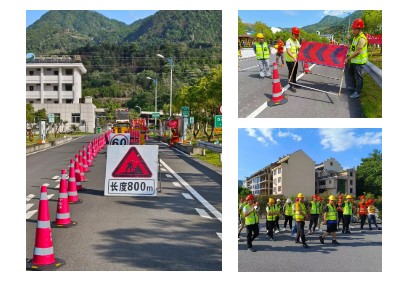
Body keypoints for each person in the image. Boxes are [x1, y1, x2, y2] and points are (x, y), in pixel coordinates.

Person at [344, 18, 368, 99]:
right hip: (354, 61)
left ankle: (358, 92)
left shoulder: (362, 39)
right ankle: (354, 87)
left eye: (355, 29)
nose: (353, 31)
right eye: (352, 29)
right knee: (351, 74)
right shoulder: (355, 37)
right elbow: (353, 48)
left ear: (360, 29)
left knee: (359, 77)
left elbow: (358, 52)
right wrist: (347, 47)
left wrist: (348, 58)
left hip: (359, 62)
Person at [285, 27, 301, 93]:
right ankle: (291, 85)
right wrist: (293, 57)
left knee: (295, 72)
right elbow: (288, 51)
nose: (297, 36)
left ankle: (294, 82)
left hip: (295, 60)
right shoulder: (288, 41)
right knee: (291, 72)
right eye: (295, 34)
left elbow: (299, 48)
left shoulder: (297, 41)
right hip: (290, 60)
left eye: (297, 35)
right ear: (292, 34)